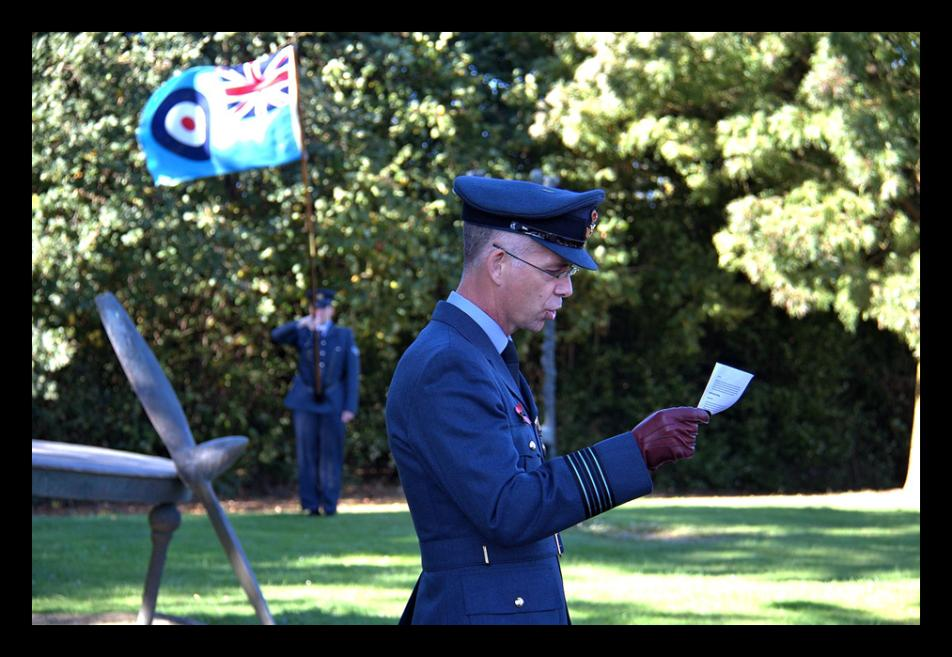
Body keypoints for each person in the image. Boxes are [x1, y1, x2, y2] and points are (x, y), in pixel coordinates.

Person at [385, 176, 711, 624]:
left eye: (568, 273)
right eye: (555, 271)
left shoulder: (480, 355)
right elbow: (509, 509)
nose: (567, 289)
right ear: (498, 262)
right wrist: (634, 452)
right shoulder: (449, 363)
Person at [272, 288, 360, 516]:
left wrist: (349, 406)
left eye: (323, 308)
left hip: (333, 402)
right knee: (306, 454)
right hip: (304, 401)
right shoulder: (303, 333)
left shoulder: (343, 335)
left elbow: (351, 373)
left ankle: (330, 504)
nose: (319, 312)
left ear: (331, 310)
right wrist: (301, 323)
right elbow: (276, 336)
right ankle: (310, 504)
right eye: (315, 308)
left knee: (331, 454)